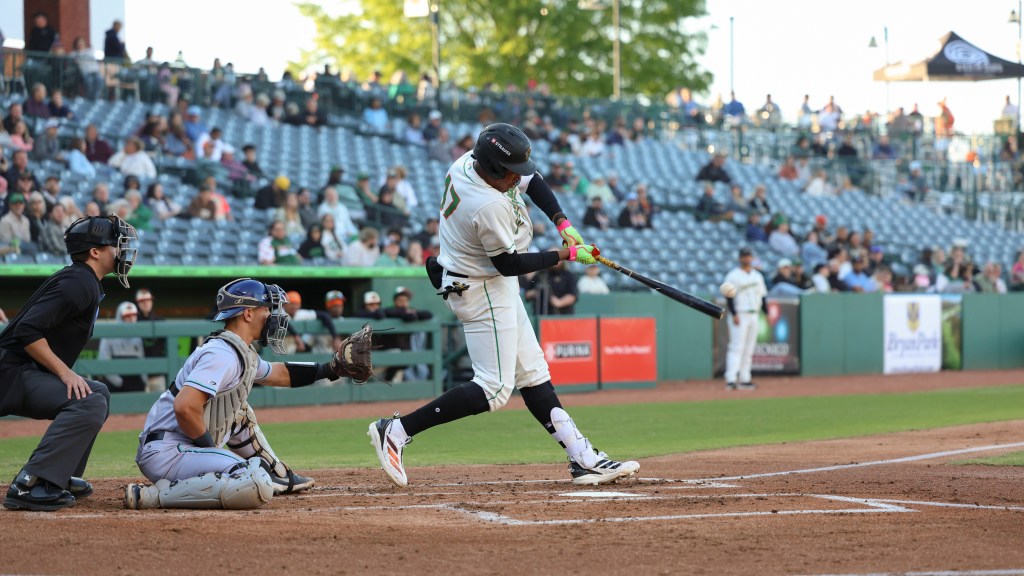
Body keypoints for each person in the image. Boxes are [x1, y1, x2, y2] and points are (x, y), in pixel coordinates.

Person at [368, 123, 638, 487]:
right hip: (482, 288)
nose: (518, 179)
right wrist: (567, 254)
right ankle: (397, 430)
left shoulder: (469, 162)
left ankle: (582, 458)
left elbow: (534, 181)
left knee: (534, 373)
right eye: (511, 173)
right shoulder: (488, 204)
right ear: (494, 169)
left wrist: (563, 222)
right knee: (494, 389)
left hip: (485, 280)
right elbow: (509, 265)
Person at [125, 279, 373, 509]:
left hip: (180, 448)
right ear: (248, 313)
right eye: (267, 308)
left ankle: (279, 474)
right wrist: (214, 452)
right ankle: (152, 496)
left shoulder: (240, 351)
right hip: (168, 452)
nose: (273, 315)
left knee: (240, 412)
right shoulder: (222, 354)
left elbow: (278, 374)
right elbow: (185, 407)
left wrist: (331, 369)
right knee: (255, 481)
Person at [0, 215, 137, 511]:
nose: (121, 251)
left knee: (96, 392)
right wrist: (64, 373)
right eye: (115, 244)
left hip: (20, 370)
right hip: (10, 372)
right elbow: (26, 331)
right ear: (95, 252)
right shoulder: (79, 282)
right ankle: (32, 484)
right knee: (87, 401)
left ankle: (59, 476)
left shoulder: (84, 280)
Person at [722, 247, 767, 391]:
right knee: (736, 347)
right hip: (739, 314)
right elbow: (728, 297)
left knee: (749, 348)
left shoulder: (757, 276)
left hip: (754, 314)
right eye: (744, 256)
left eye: (749, 256)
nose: (747, 258)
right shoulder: (733, 276)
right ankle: (731, 378)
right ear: (740, 258)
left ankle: (745, 378)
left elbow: (763, 296)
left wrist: (766, 313)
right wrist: (734, 313)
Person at [98, 302, 147, 392]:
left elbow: (141, 359)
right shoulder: (108, 335)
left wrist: (143, 381)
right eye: (127, 316)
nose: (132, 319)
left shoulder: (138, 337)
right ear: (120, 317)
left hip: (136, 383)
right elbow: (104, 360)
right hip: (116, 383)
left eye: (134, 315)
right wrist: (119, 382)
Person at [134, 289, 167, 393]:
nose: (146, 303)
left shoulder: (161, 322)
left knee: (159, 406)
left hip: (157, 373)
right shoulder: (133, 323)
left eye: (148, 300)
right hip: (137, 375)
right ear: (137, 303)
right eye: (142, 301)